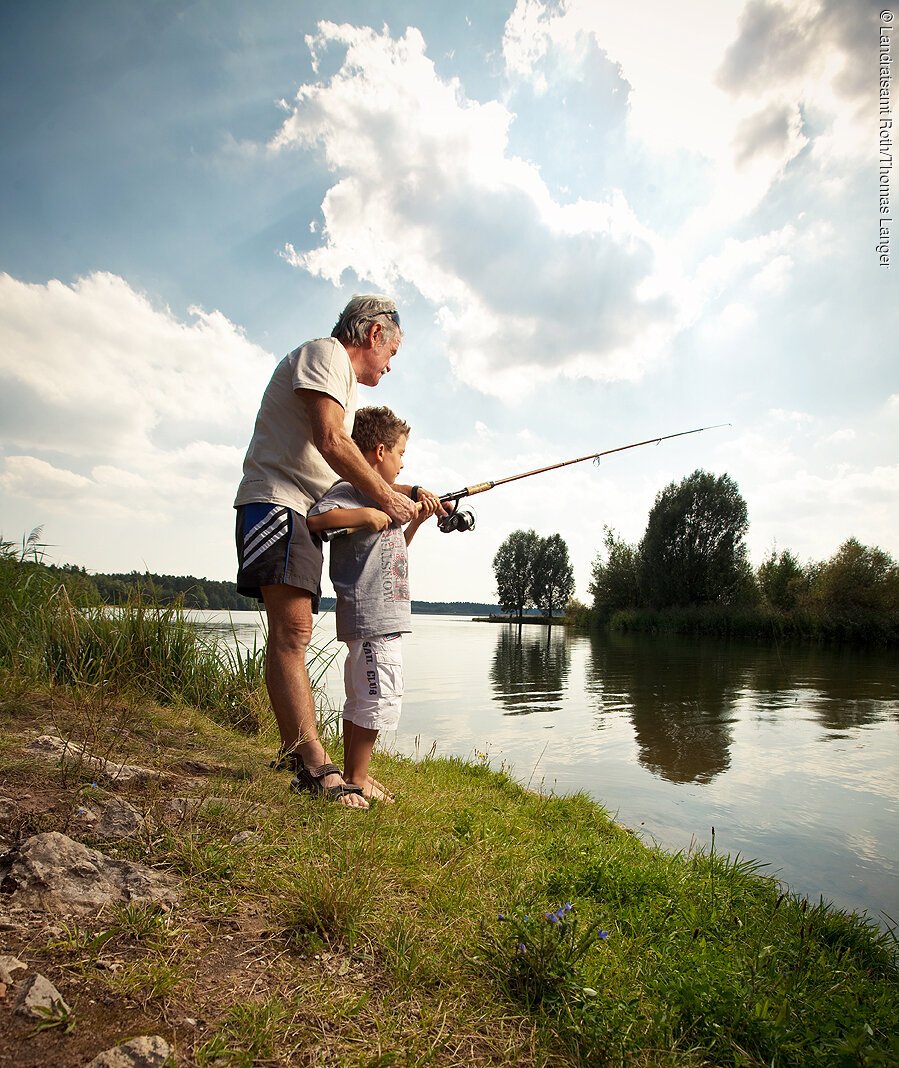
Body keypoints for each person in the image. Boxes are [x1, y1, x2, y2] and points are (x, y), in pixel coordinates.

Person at [233, 295, 442, 808]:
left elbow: (342, 470)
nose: (391, 364)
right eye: (392, 351)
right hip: (275, 503)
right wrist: (389, 497)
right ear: (373, 335)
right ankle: (311, 764)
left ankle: (305, 757)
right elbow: (332, 443)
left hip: (299, 510)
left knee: (295, 633)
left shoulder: (340, 384)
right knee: (292, 633)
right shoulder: (326, 354)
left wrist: (408, 493)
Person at [306, 406, 437, 802]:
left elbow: (392, 553)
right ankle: (356, 776)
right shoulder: (348, 492)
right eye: (400, 454)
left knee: (374, 696)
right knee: (375, 697)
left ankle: (355, 772)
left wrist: (414, 522)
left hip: (387, 618)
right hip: (370, 618)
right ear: (380, 451)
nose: (402, 465)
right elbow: (316, 519)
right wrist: (364, 514)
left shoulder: (385, 503)